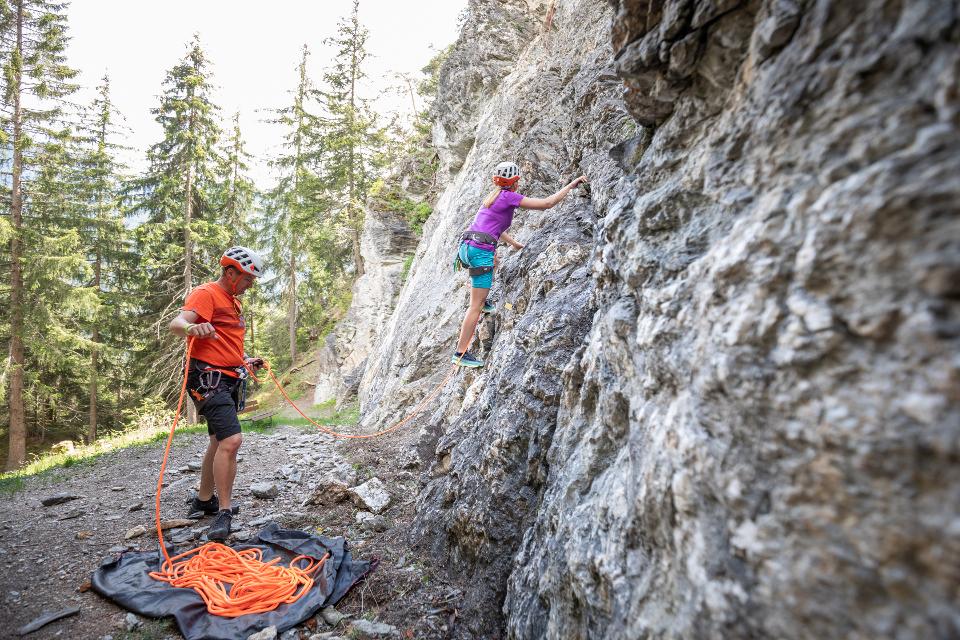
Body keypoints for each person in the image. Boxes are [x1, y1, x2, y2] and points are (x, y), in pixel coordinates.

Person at [168, 246, 265, 540]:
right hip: (207, 378)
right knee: (232, 441)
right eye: (247, 279)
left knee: (218, 440)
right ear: (230, 272)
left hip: (227, 375)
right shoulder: (207, 293)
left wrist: (245, 359)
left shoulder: (233, 303)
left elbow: (226, 343)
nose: (250, 285)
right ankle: (223, 513)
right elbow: (177, 322)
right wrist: (191, 329)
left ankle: (204, 499)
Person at [452, 162, 588, 367]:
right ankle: (460, 354)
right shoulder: (509, 196)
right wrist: (571, 185)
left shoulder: (492, 197)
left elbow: (494, 228)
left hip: (467, 247)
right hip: (480, 251)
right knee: (475, 306)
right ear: (515, 182)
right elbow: (547, 204)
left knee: (493, 264)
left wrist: (515, 244)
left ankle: (484, 301)